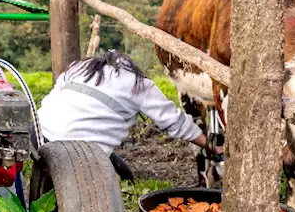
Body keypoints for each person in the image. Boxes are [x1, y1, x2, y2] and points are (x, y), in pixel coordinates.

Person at [38, 51, 209, 164]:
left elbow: (53, 97)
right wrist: (210, 146)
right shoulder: (138, 85)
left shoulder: (78, 67)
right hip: (85, 156)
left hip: (40, 136)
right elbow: (175, 122)